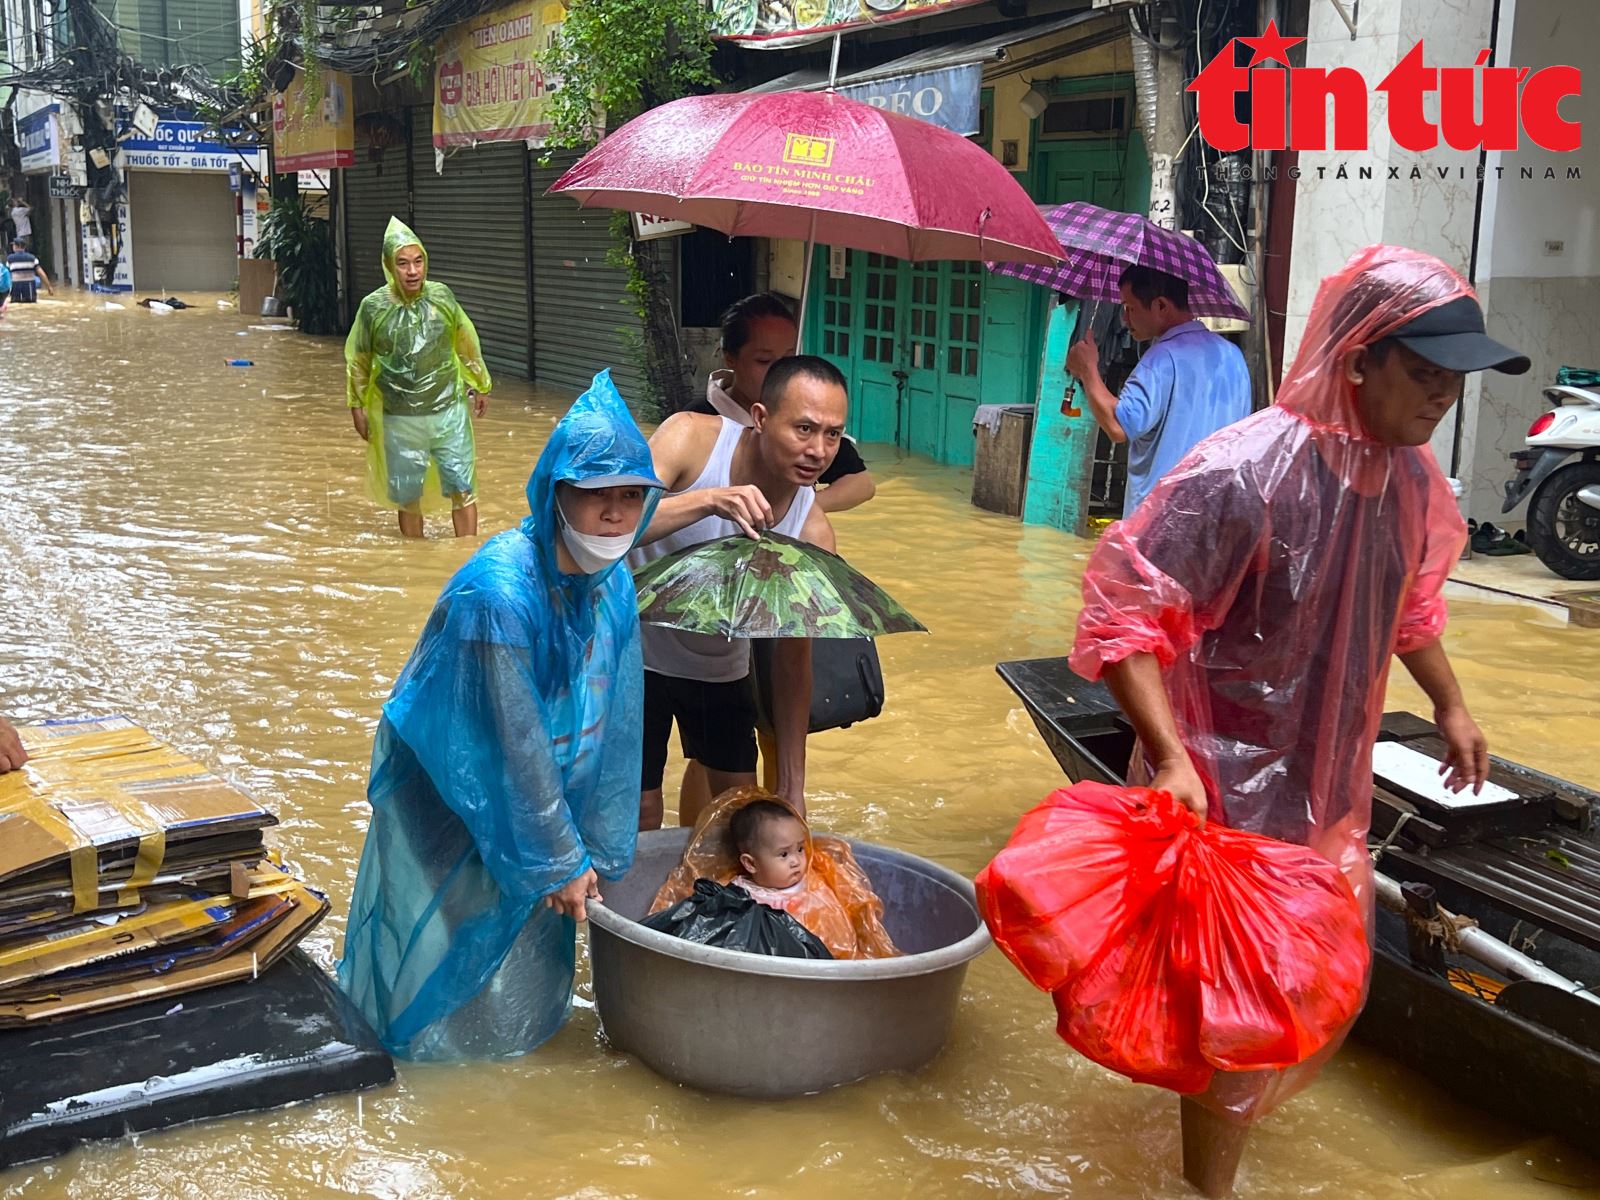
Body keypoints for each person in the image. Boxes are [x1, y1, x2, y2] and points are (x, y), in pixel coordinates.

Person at [1067, 245, 1528, 1195]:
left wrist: (1449, 702)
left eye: (1455, 379)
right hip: (1225, 789)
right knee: (1241, 1006)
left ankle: (1203, 1147)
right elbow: (1121, 612)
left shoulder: (1408, 483)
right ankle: (1207, 1188)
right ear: (1359, 357)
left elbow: (1406, 611)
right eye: (1426, 373)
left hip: (1328, 787)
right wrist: (1169, 758)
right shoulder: (1243, 472)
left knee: (1306, 991)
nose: (1443, 396)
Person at [338, 370, 663, 1060]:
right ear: (554, 497)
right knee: (450, 940)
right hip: (453, 797)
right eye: (596, 495)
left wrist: (593, 850)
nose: (615, 513)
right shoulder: (497, 594)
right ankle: (424, 1071)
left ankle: (506, 1067)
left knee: (520, 949)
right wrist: (557, 857)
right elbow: (512, 741)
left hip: (541, 807)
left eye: (631, 495)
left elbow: (616, 720)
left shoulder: (612, 585)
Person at [631, 356, 846, 831]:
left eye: (833, 434)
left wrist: (793, 786)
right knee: (639, 813)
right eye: (805, 429)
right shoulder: (689, 437)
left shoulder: (811, 532)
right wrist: (708, 499)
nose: (819, 450)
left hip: (719, 668)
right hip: (632, 655)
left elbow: (793, 662)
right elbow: (611, 525)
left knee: (739, 818)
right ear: (761, 417)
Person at [345, 217, 491, 539]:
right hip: (400, 417)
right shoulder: (373, 308)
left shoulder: (442, 297)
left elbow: (465, 340)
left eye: (418, 261)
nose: (412, 271)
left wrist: (480, 383)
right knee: (408, 496)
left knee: (462, 486)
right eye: (403, 263)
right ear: (388, 266)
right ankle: (414, 561)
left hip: (448, 411)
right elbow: (360, 360)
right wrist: (357, 405)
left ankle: (466, 557)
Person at [1065, 264, 1252, 515]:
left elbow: (1119, 427)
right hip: (1216, 517)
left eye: (1130, 308)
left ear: (1161, 306)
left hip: (1160, 521)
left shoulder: (1160, 360)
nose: (1125, 319)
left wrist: (1089, 370)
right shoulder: (1234, 357)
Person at [693, 293, 876, 514]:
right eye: (764, 360)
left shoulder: (809, 423)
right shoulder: (695, 423)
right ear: (730, 358)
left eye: (788, 359)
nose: (780, 371)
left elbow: (862, 484)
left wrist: (794, 513)